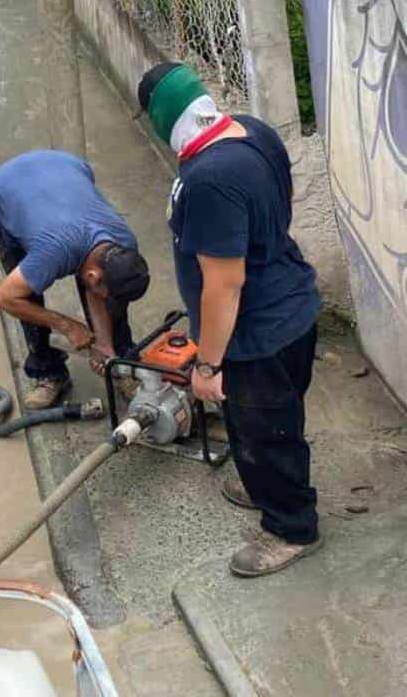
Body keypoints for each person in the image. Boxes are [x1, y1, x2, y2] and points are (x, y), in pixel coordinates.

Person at [138, 62, 323, 577]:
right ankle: (264, 478)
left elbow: (224, 283)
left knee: (262, 430)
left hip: (256, 335)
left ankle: (290, 527)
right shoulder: (253, 132)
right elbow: (277, 209)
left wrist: (207, 365)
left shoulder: (209, 179)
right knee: (277, 417)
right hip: (293, 303)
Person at [0, 150, 151, 409]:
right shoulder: (53, 252)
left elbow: (97, 290)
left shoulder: (123, 242)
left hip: (65, 168)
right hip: (8, 187)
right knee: (26, 298)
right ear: (92, 275)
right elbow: (4, 297)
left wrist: (104, 346)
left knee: (114, 300)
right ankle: (48, 372)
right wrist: (66, 325)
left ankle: (119, 364)